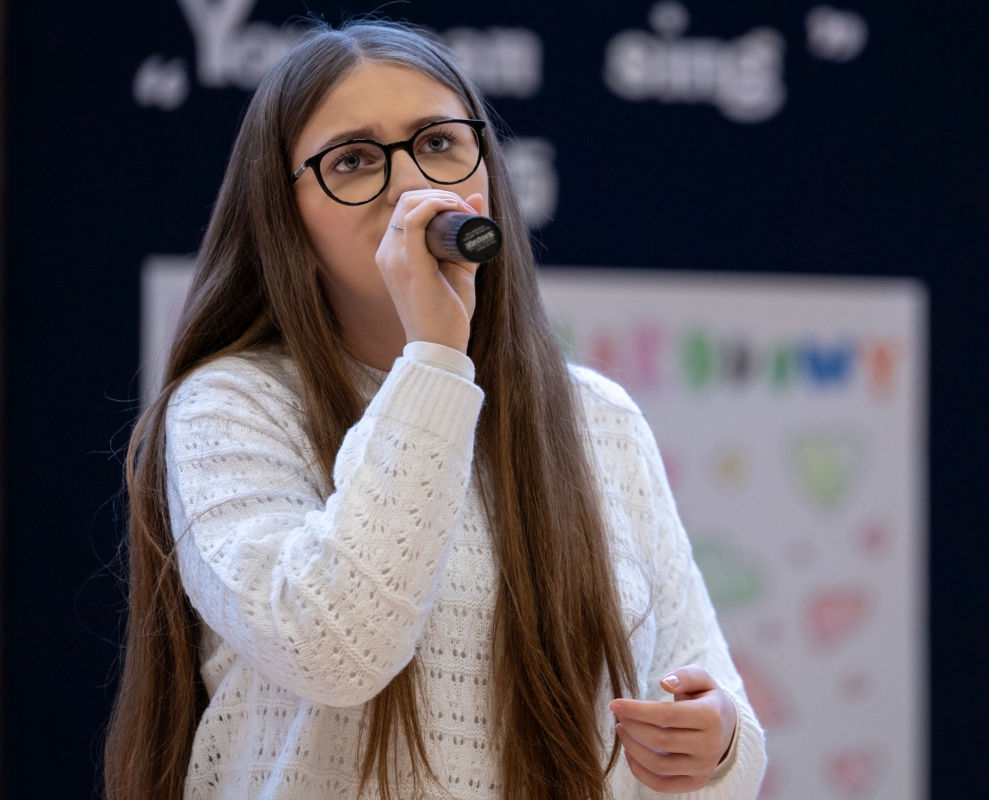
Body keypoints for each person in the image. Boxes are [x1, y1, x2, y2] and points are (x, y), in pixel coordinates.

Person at [105, 19, 766, 800]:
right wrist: (436, 359)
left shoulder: (599, 419)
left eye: (440, 143)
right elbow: (334, 650)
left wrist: (717, 742)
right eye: (353, 160)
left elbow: (714, 716)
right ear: (285, 217)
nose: (411, 186)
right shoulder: (230, 406)